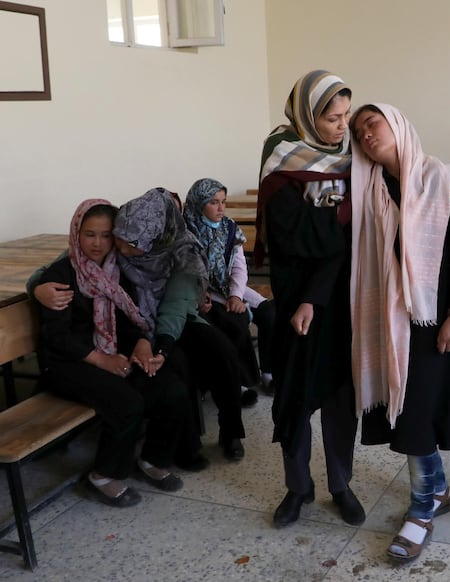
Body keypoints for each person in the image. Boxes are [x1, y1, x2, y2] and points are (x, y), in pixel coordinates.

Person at [349, 104, 450, 562]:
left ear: (397, 126)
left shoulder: (438, 176)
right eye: (358, 130)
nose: (366, 134)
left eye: (373, 124)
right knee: (408, 413)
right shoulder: (364, 187)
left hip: (432, 318)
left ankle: (421, 510)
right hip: (387, 320)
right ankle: (437, 490)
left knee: (417, 412)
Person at [258, 70, 365, 528]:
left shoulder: (354, 157)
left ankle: (341, 484)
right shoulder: (282, 157)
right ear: (306, 114)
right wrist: (346, 214)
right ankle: (297, 487)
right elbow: (295, 234)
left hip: (343, 297)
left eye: (346, 116)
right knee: (296, 396)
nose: (343, 127)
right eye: (332, 118)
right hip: (295, 296)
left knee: (342, 396)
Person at [37, 199, 188, 507]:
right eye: (89, 234)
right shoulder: (60, 275)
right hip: (67, 362)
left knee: (170, 386)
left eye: (106, 235)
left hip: (110, 352)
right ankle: (104, 475)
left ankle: (152, 459)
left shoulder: (116, 269)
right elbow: (57, 337)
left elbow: (125, 318)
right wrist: (102, 359)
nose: (97, 243)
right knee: (126, 401)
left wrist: (141, 343)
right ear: (76, 233)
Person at [113, 187, 248, 462]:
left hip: (176, 318)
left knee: (222, 352)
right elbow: (63, 265)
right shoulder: (117, 247)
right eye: (121, 239)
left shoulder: (184, 252)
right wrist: (39, 285)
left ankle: (231, 430)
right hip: (132, 323)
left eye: (133, 244)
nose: (123, 249)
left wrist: (161, 347)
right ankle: (187, 446)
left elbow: (175, 308)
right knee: (180, 365)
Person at [183, 178, 276, 405]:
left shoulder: (229, 227)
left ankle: (269, 372)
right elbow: (187, 273)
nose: (221, 208)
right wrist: (203, 295)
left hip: (230, 288)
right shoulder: (186, 232)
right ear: (198, 203)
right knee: (235, 319)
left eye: (223, 202)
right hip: (205, 293)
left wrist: (235, 294)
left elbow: (238, 265)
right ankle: (239, 382)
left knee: (270, 312)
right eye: (214, 202)